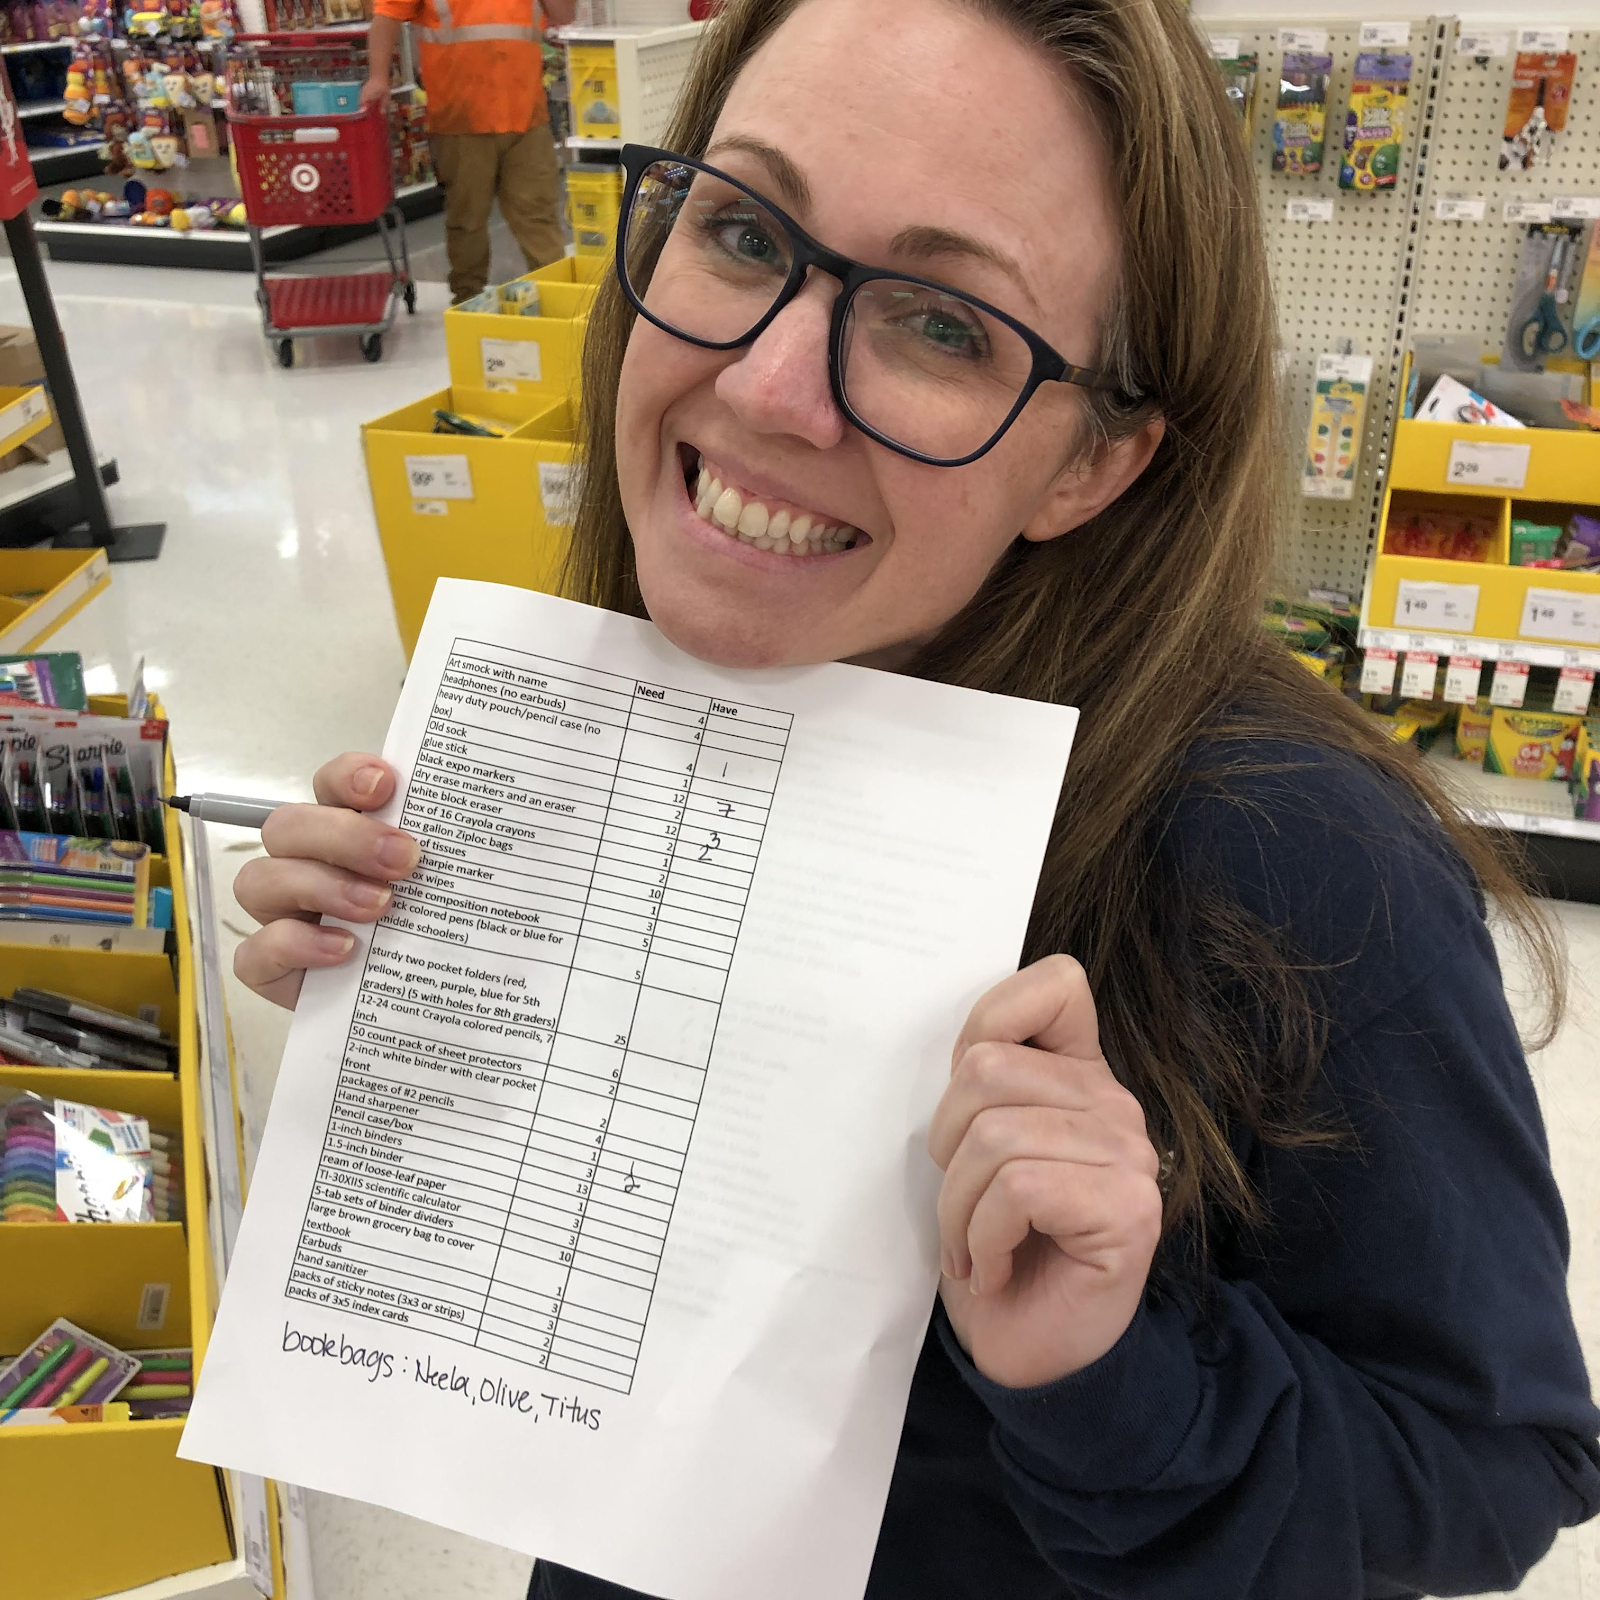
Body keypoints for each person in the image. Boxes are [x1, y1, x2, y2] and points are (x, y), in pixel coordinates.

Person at [240, 0, 1600, 1594]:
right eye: (744, 231)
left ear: (1093, 464)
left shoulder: (1296, 851)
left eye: (945, 326)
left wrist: (1115, 1370)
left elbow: (1498, 1469)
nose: (770, 390)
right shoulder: (642, 676)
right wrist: (399, 1018)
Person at [362, 0, 577, 303]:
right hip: (461, 120)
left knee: (538, 216)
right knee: (467, 220)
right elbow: (387, 16)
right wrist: (378, 77)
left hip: (527, 116)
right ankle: (467, 301)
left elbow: (565, 15)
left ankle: (559, 300)